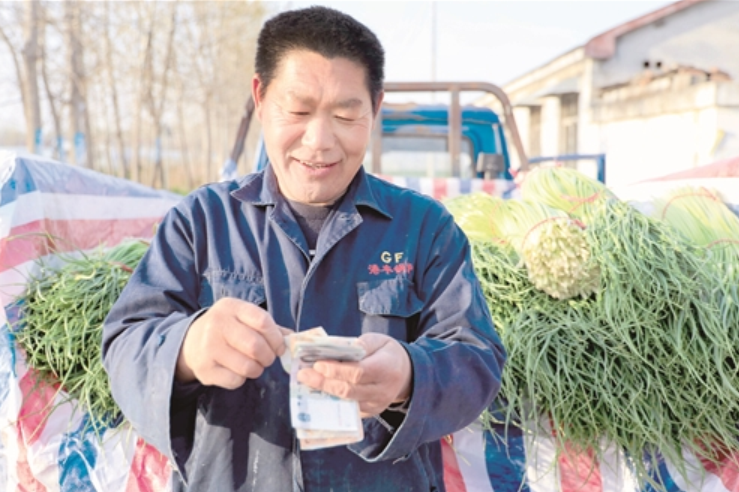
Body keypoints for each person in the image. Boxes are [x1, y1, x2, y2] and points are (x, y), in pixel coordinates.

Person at [102, 5, 506, 491]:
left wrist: (408, 376)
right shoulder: (201, 221)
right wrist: (189, 348)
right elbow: (126, 342)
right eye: (297, 111)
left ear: (375, 108)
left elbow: (477, 357)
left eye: (345, 114)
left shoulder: (424, 228)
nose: (319, 142)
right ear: (260, 96)